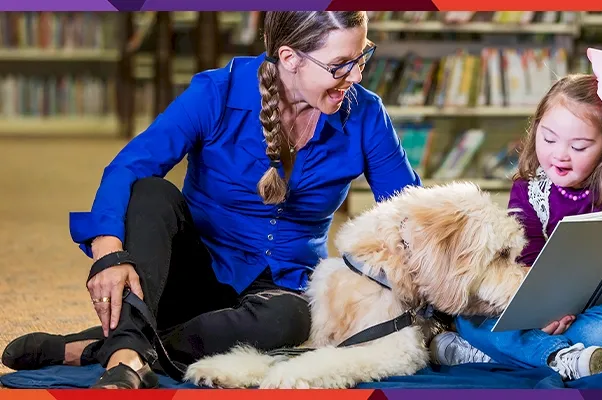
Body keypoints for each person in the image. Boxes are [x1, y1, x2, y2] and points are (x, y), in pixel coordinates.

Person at [2, 11, 421, 389]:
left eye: (361, 57)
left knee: (291, 321)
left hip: (283, 291)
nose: (356, 77)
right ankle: (131, 349)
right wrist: (109, 253)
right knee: (150, 192)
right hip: (192, 276)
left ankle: (114, 352)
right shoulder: (216, 92)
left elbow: (408, 212)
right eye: (339, 66)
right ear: (290, 57)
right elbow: (128, 167)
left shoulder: (367, 114)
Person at [428, 48, 602, 382]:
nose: (559, 155)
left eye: (579, 146)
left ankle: (501, 353)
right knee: (468, 314)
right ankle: (560, 357)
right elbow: (525, 259)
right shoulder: (530, 189)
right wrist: (544, 309)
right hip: (551, 316)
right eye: (548, 138)